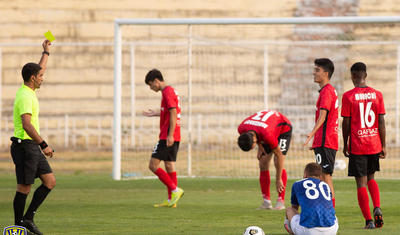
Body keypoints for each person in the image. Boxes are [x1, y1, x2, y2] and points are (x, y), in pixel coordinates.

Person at [10, 40, 55, 235]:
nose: (43, 78)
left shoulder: (29, 88)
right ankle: (17, 227)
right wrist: (43, 144)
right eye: (41, 76)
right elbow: (27, 125)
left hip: (31, 147)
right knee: (24, 188)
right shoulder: (25, 96)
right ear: (32, 78)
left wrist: (46, 52)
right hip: (24, 145)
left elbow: (39, 68)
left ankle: (28, 219)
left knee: (49, 181)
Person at [341, 62, 385, 229]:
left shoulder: (348, 96)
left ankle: (369, 221)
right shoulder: (377, 95)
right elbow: (381, 121)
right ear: (365, 75)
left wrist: (345, 143)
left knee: (361, 183)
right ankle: (377, 207)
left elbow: (346, 122)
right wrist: (384, 144)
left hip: (358, 145)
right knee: (372, 177)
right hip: (374, 143)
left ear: (353, 76)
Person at [143, 69, 184, 207]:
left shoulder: (166, 92)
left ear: (156, 81)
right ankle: (171, 201)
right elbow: (171, 111)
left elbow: (173, 113)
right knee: (169, 164)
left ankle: (175, 190)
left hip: (167, 135)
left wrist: (169, 135)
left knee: (153, 165)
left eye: (150, 85)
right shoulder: (171, 91)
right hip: (174, 133)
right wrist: (157, 113)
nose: (151, 88)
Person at [237, 110, 292, 210]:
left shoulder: (267, 135)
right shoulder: (241, 129)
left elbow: (279, 155)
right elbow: (255, 133)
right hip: (265, 129)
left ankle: (280, 201)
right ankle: (266, 202)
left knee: (277, 161)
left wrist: (278, 179)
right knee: (263, 163)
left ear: (254, 140)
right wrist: (260, 147)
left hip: (283, 129)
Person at [304, 58, 338, 208]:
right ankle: (328, 213)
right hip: (324, 140)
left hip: (326, 140)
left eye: (317, 70)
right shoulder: (328, 91)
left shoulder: (327, 92)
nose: (314, 73)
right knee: (323, 178)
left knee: (325, 178)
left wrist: (312, 134)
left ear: (326, 73)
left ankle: (331, 215)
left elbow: (323, 117)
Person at [284, 162, 338, 235]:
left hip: (309, 230)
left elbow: (295, 208)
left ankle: (293, 232)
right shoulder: (326, 185)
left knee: (289, 210)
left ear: (305, 174)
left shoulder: (297, 184)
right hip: (332, 230)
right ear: (320, 176)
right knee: (333, 216)